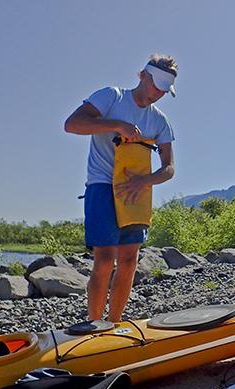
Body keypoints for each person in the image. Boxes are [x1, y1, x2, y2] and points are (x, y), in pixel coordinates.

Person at [64, 54, 177, 322]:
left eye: (164, 90)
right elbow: (72, 124)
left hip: (136, 192)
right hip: (102, 186)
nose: (157, 93)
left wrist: (145, 181)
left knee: (128, 261)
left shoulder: (160, 121)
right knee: (104, 259)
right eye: (155, 85)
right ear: (142, 75)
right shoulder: (111, 98)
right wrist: (116, 124)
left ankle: (113, 323)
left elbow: (169, 168)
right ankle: (94, 324)